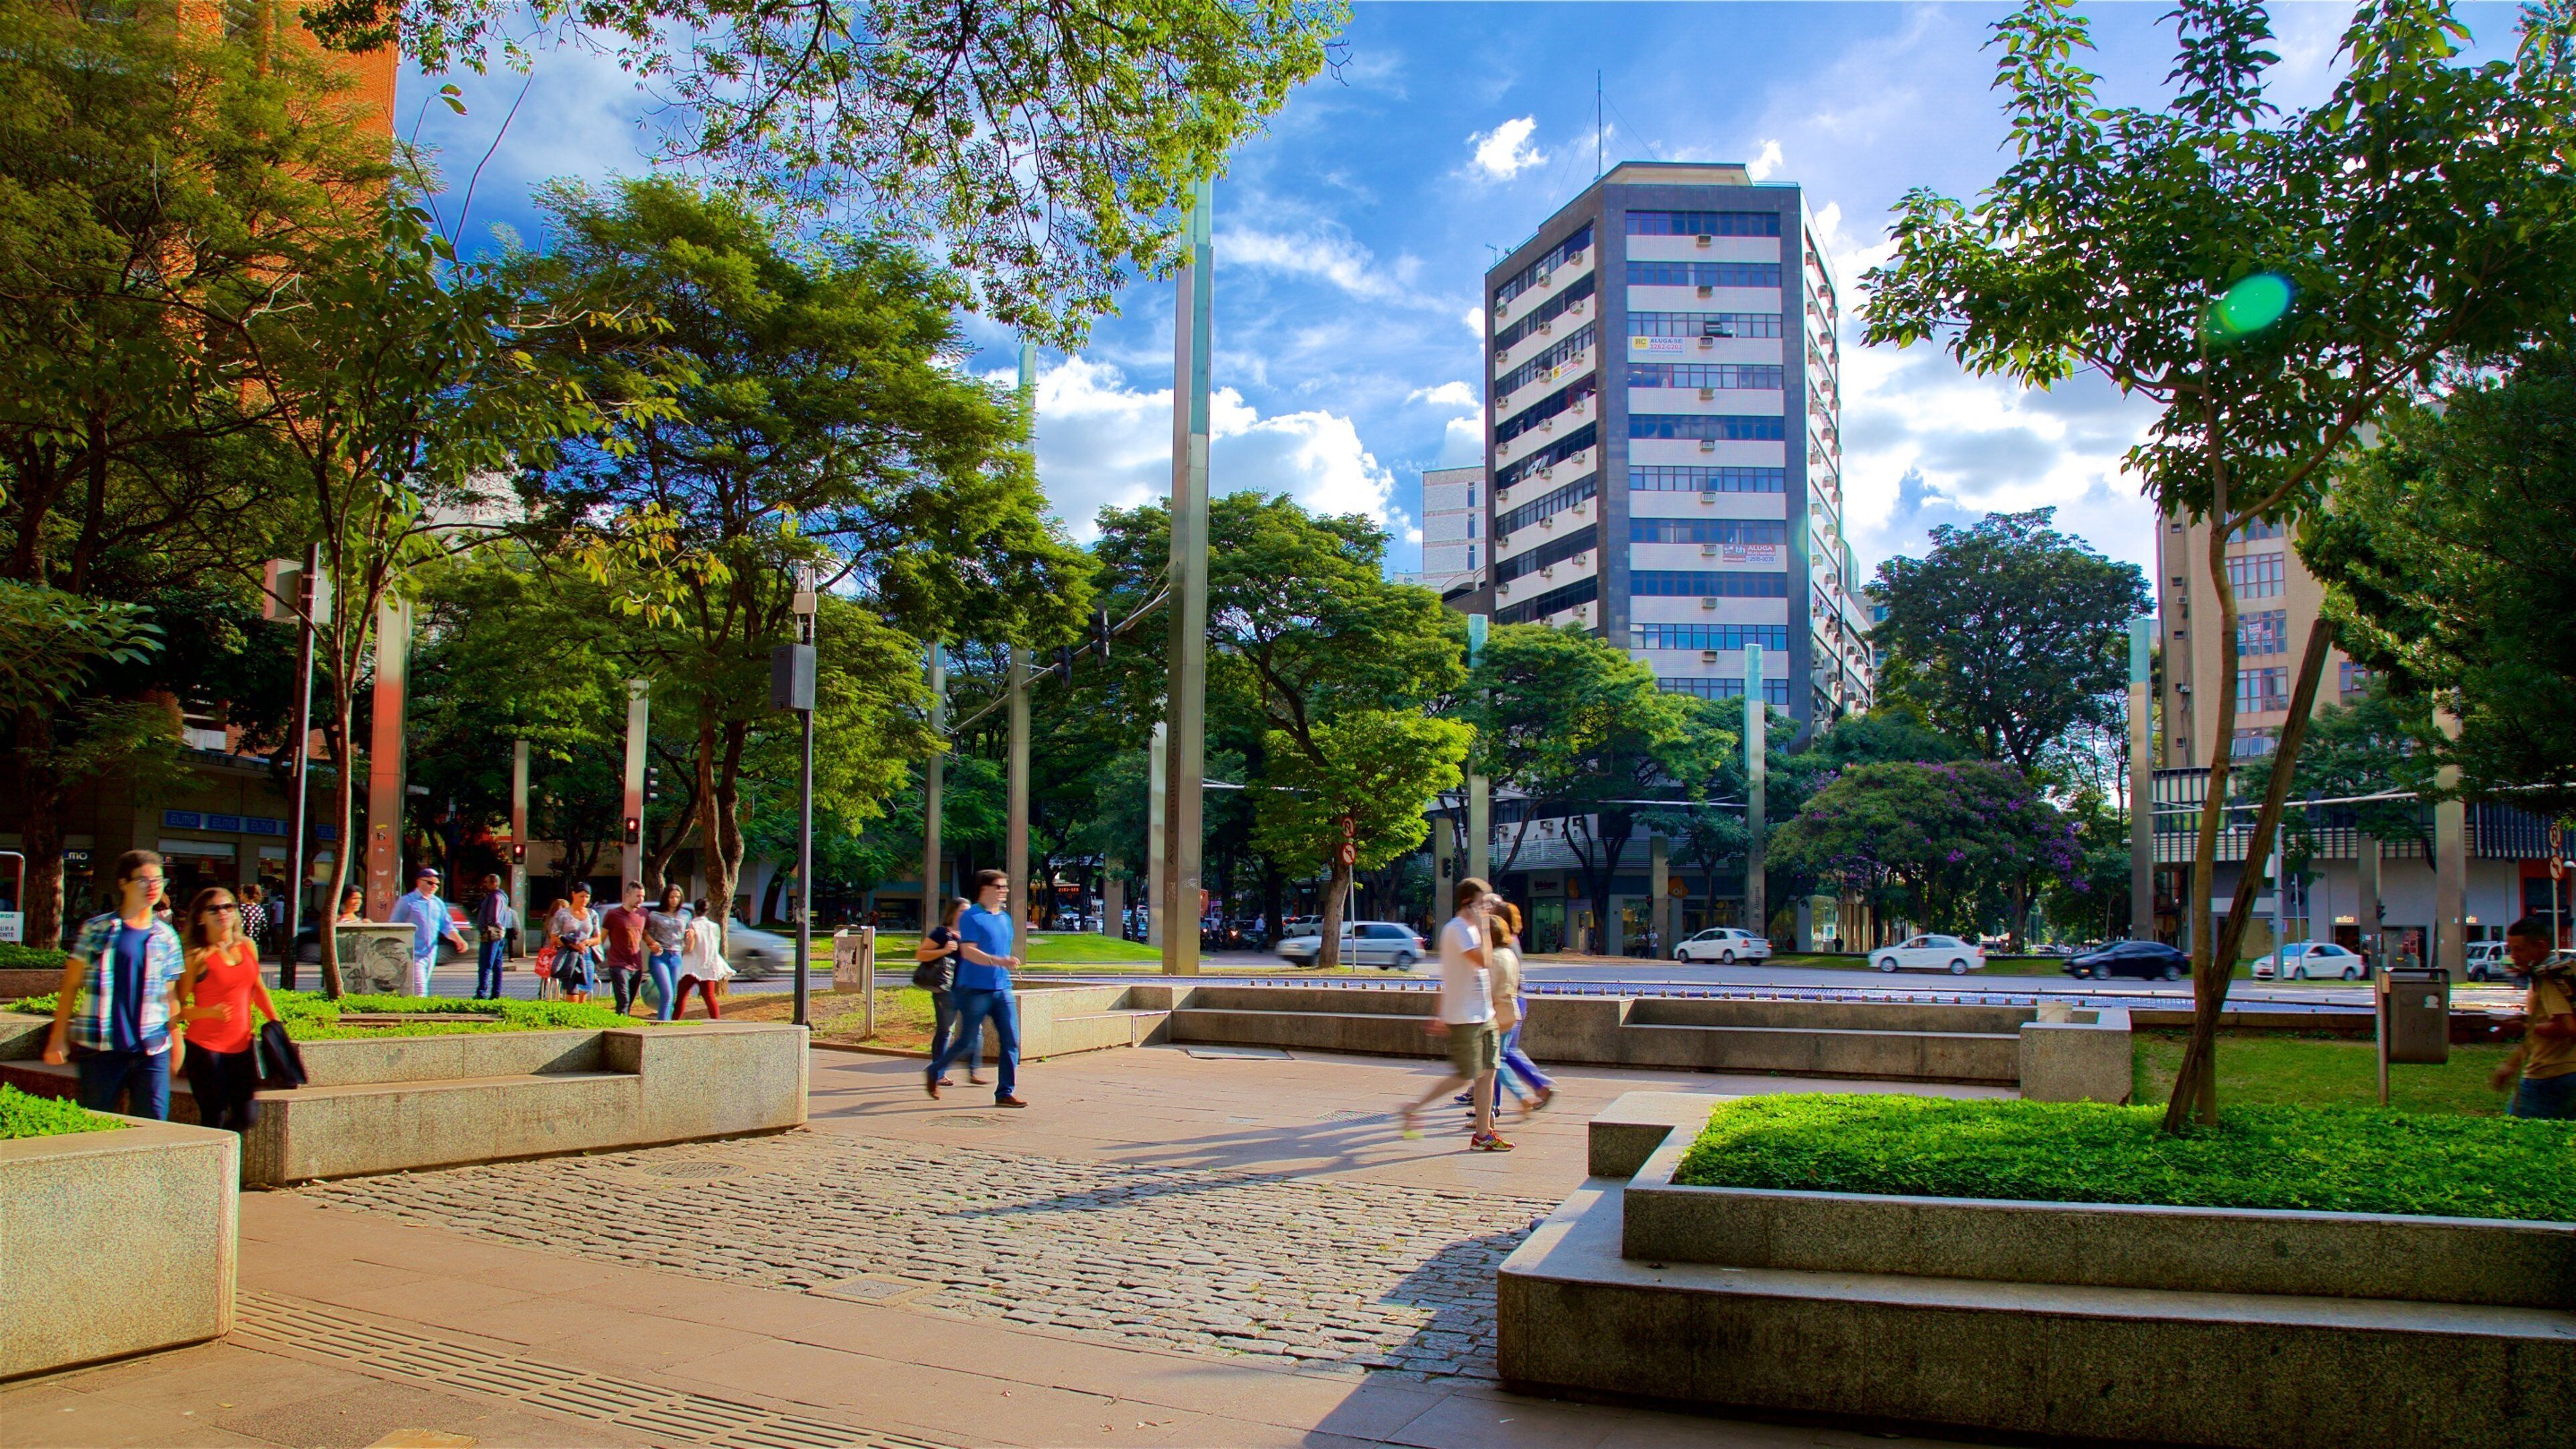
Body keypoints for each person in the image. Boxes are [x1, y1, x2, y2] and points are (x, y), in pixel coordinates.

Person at [42, 851, 188, 1120]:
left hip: (152, 1047)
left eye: (159, 880)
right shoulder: (97, 929)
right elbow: (71, 984)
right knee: (98, 1125)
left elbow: (170, 996)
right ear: (123, 883)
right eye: (143, 880)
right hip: (100, 1048)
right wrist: (57, 1037)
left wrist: (177, 1040)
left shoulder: (166, 936)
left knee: (155, 1128)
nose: (153, 887)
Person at [1399, 878, 1510, 1151]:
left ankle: (1483, 1135)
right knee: (1465, 1075)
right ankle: (1414, 1108)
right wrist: (1485, 925)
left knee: (1488, 1073)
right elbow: (1483, 961)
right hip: (1464, 1017)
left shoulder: (1471, 930)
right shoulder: (1457, 930)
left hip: (1484, 1014)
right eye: (1482, 904)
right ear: (1467, 903)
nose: (1487, 909)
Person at [177, 885, 278, 1133]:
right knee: (215, 1117)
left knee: (247, 1116)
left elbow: (257, 988)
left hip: (241, 1047)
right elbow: (176, 1009)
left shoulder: (247, 946)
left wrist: (276, 1022)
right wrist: (208, 1012)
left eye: (228, 906)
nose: (222, 913)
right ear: (200, 917)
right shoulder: (196, 957)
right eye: (214, 909)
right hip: (205, 1049)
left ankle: (223, 1161)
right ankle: (214, 1167)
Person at [926, 870, 1026, 1106]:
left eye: (1005, 887)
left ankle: (1004, 1093)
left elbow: (1001, 948)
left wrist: (1007, 963)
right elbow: (967, 950)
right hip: (974, 989)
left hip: (1002, 988)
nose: (1005, 891)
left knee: (1012, 1041)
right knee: (966, 1042)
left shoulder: (1005, 918)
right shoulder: (972, 916)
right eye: (1000, 887)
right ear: (986, 889)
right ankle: (935, 1070)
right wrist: (999, 961)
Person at [2491, 915, 2576, 1120]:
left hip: (2548, 1075)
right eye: (2511, 949)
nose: (2514, 956)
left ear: (2541, 946)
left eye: (2519, 949)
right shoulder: (2563, 974)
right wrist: (2511, 1065)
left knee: (2515, 1138)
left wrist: (2523, 1026)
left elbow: (2567, 1027)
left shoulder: (2548, 978)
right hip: (2567, 1072)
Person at [914, 898, 985, 1087]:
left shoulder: (970, 935)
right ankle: (938, 1073)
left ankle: (973, 1071)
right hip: (946, 989)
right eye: (963, 911)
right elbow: (920, 954)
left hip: (968, 988)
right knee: (946, 1031)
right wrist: (944, 950)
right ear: (953, 912)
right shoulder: (942, 933)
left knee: (976, 1030)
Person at [389, 866, 467, 998]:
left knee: (421, 987)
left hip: (431, 953)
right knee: (420, 990)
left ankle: (411, 1013)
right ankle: (417, 1016)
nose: (434, 886)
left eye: (437, 884)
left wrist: (459, 940)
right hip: (412, 953)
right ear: (419, 882)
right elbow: (394, 926)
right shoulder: (407, 902)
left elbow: (446, 926)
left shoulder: (438, 904)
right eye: (430, 883)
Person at [600, 881, 651, 1016]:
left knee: (629, 1003)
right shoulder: (613, 914)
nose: (641, 900)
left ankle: (622, 1026)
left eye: (643, 896)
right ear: (627, 896)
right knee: (623, 1001)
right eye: (638, 896)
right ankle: (620, 1030)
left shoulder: (644, 914)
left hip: (636, 965)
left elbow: (644, 934)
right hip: (618, 965)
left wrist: (654, 945)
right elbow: (602, 937)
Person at [675, 900, 731, 1018]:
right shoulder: (714, 927)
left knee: (681, 997)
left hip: (690, 965)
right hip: (708, 965)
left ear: (695, 910)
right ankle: (716, 1023)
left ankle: (674, 1021)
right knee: (710, 997)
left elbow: (689, 946)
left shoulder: (691, 925)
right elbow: (715, 946)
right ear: (707, 911)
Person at [644, 884, 689, 1022]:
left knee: (672, 993)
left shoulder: (686, 915)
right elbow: (645, 934)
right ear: (666, 898)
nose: (674, 900)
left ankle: (667, 1023)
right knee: (667, 993)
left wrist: (691, 934)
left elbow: (688, 934)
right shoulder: (655, 916)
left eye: (677, 897)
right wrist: (652, 943)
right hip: (659, 956)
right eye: (671, 897)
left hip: (676, 955)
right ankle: (663, 1025)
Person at [472, 873, 517, 1001]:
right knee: (497, 965)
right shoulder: (500, 897)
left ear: (494, 883)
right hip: (498, 934)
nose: (484, 884)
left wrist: (487, 927)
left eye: (487, 882)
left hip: (491, 934)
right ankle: (496, 993)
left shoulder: (495, 898)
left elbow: (494, 917)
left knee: (486, 964)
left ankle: (481, 993)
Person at [551, 885, 600, 1003]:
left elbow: (598, 938)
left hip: (586, 955)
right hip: (569, 955)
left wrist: (587, 942)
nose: (584, 900)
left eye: (587, 897)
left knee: (584, 991)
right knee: (572, 992)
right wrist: (571, 943)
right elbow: (554, 938)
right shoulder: (562, 914)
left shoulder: (592, 914)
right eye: (581, 896)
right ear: (573, 895)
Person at [237, 885, 269, 963]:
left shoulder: (241, 908)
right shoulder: (260, 909)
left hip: (241, 943)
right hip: (254, 943)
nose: (239, 895)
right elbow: (264, 927)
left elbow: (238, 926)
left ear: (245, 895)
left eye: (241, 893)